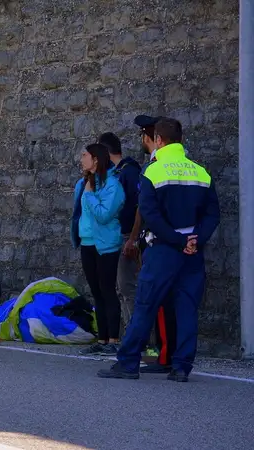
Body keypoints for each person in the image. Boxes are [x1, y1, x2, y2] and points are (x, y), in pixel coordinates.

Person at [98, 118, 220, 382]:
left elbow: (150, 215)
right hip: (192, 252)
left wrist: (176, 240)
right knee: (187, 307)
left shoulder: (153, 172)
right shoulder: (201, 172)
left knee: (145, 304)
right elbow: (212, 214)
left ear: (159, 140)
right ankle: (181, 367)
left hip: (164, 249)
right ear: (181, 140)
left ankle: (128, 363)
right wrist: (195, 239)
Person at [131, 114, 179, 373]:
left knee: (159, 302)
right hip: (175, 241)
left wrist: (136, 239)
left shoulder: (155, 167)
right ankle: (168, 353)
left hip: (160, 242)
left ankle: (164, 355)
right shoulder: (176, 164)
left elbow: (147, 209)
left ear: (150, 138)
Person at [70, 143, 126, 355]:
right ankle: (102, 339)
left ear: (95, 159)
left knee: (108, 291)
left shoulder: (112, 185)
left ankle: (113, 339)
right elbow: (78, 213)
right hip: (87, 243)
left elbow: (104, 215)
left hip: (106, 244)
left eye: (84, 155)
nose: (81, 159)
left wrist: (91, 195)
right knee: (96, 292)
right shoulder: (83, 183)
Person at [98, 132, 141, 336]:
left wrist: (132, 239)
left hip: (127, 238)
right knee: (119, 289)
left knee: (127, 288)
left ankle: (137, 339)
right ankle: (130, 335)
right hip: (116, 238)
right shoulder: (116, 173)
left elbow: (139, 208)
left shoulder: (129, 173)